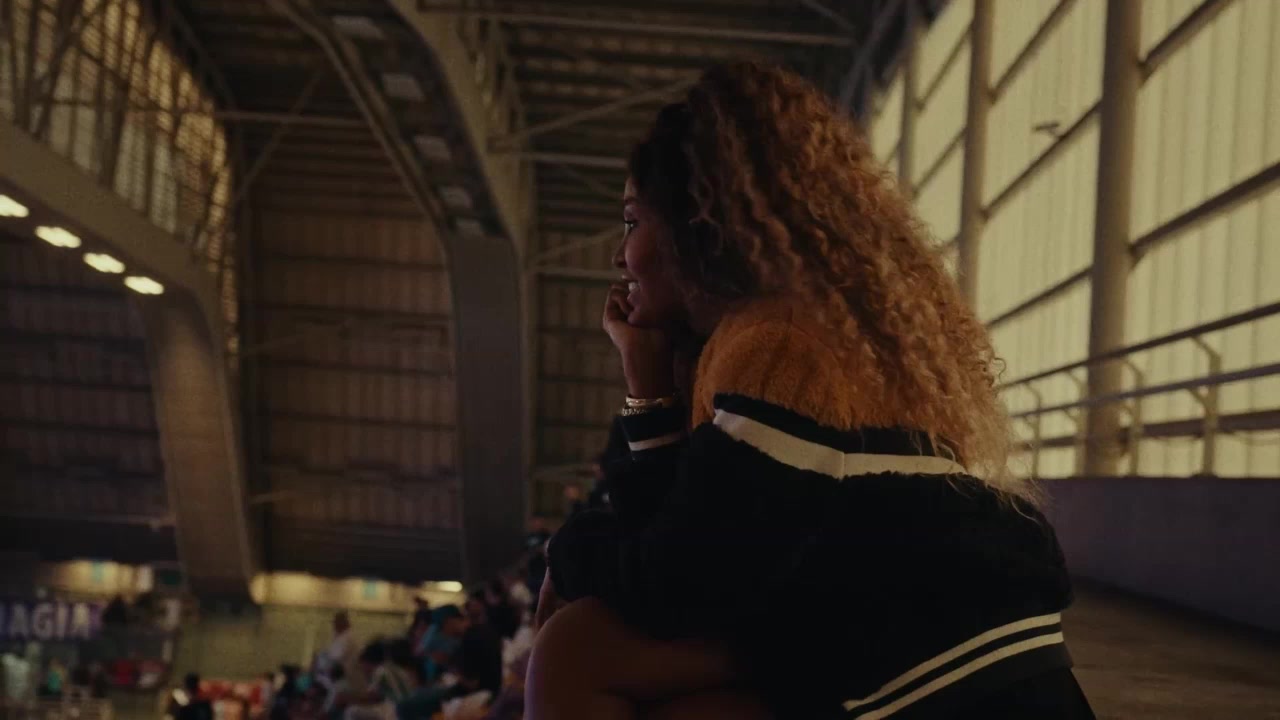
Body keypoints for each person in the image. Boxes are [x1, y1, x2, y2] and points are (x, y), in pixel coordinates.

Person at [528, 62, 1094, 720]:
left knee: (574, 648)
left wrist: (566, 554)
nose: (619, 257)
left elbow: (681, 584)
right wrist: (647, 385)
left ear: (696, 222)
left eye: (631, 223)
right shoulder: (775, 334)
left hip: (950, 673)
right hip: (918, 648)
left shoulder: (781, 347)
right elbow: (687, 538)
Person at [344, 642, 412, 720]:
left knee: (351, 711)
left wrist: (347, 699)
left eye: (363, 666)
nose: (363, 670)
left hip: (395, 711)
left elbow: (372, 698)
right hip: (407, 708)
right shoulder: (396, 669)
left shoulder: (380, 671)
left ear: (367, 662)